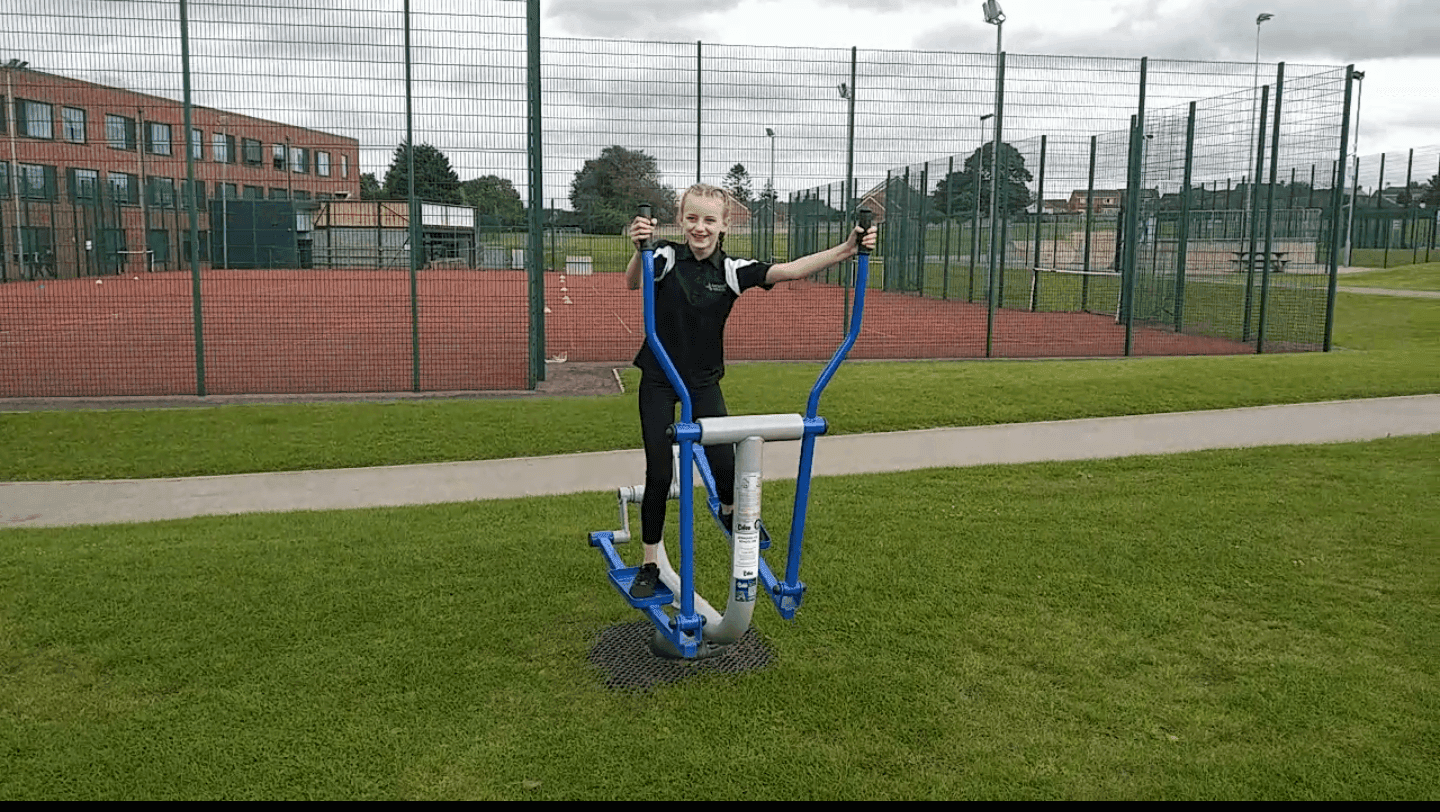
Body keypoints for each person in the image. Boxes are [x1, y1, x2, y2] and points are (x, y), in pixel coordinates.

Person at [624, 183, 876, 598]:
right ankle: (650, 561)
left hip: (703, 382)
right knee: (660, 473)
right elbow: (633, 283)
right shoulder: (664, 255)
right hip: (658, 378)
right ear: (680, 220)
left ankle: (728, 509)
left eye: (709, 220)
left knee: (726, 465)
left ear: (724, 225)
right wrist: (640, 248)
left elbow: (791, 270)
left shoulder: (730, 270)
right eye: (692, 218)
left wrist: (848, 249)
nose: (700, 227)